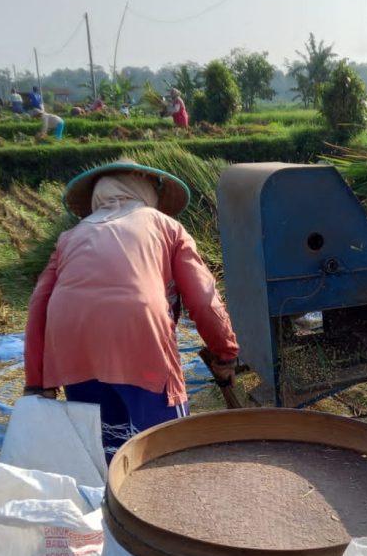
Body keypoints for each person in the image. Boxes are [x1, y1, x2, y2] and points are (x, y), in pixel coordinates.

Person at [24, 159, 240, 460]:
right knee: (166, 446)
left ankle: (110, 497)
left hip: (70, 341)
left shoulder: (69, 238)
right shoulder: (166, 225)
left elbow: (39, 305)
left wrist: (36, 382)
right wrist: (225, 354)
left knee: (100, 443)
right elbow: (204, 299)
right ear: (148, 194)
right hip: (140, 337)